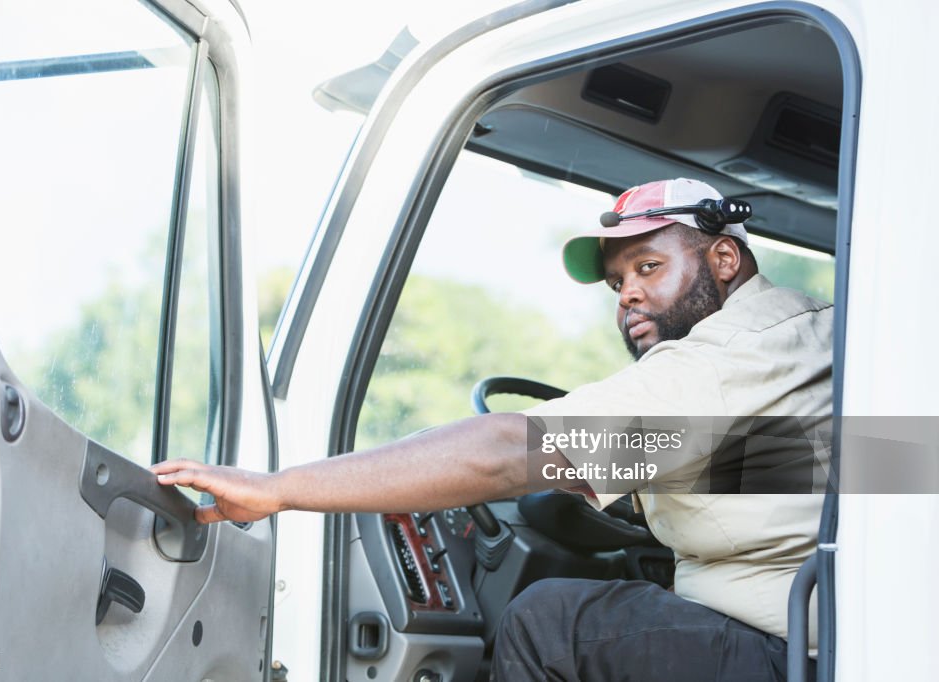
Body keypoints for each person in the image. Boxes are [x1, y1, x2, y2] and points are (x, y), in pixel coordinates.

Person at [151, 178, 832, 681]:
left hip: (792, 655)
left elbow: (509, 451)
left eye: (648, 266)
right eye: (618, 280)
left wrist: (279, 488)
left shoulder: (714, 366)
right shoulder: (809, 333)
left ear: (722, 261)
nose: (626, 294)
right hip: (835, 638)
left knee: (548, 623)